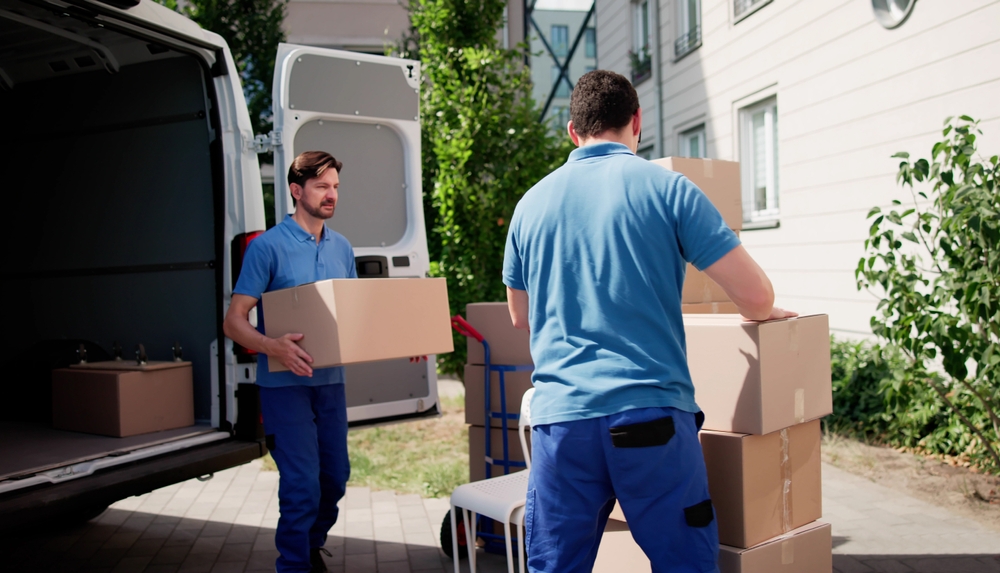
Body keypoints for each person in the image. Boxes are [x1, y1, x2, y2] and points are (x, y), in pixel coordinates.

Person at [502, 70, 797, 572]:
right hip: (649, 420)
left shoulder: (530, 206)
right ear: (636, 121)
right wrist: (764, 311)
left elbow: (520, 317)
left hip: (561, 426)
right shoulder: (669, 189)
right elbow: (754, 294)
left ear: (573, 132)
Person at [223, 151, 356, 573]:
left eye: (335, 186)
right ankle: (294, 565)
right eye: (322, 187)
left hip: (331, 383)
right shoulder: (267, 247)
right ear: (297, 191)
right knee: (301, 484)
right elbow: (233, 322)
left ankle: (312, 546)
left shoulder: (342, 247)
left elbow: (354, 314)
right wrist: (271, 346)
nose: (331, 194)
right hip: (285, 387)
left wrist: (405, 339)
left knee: (334, 478)